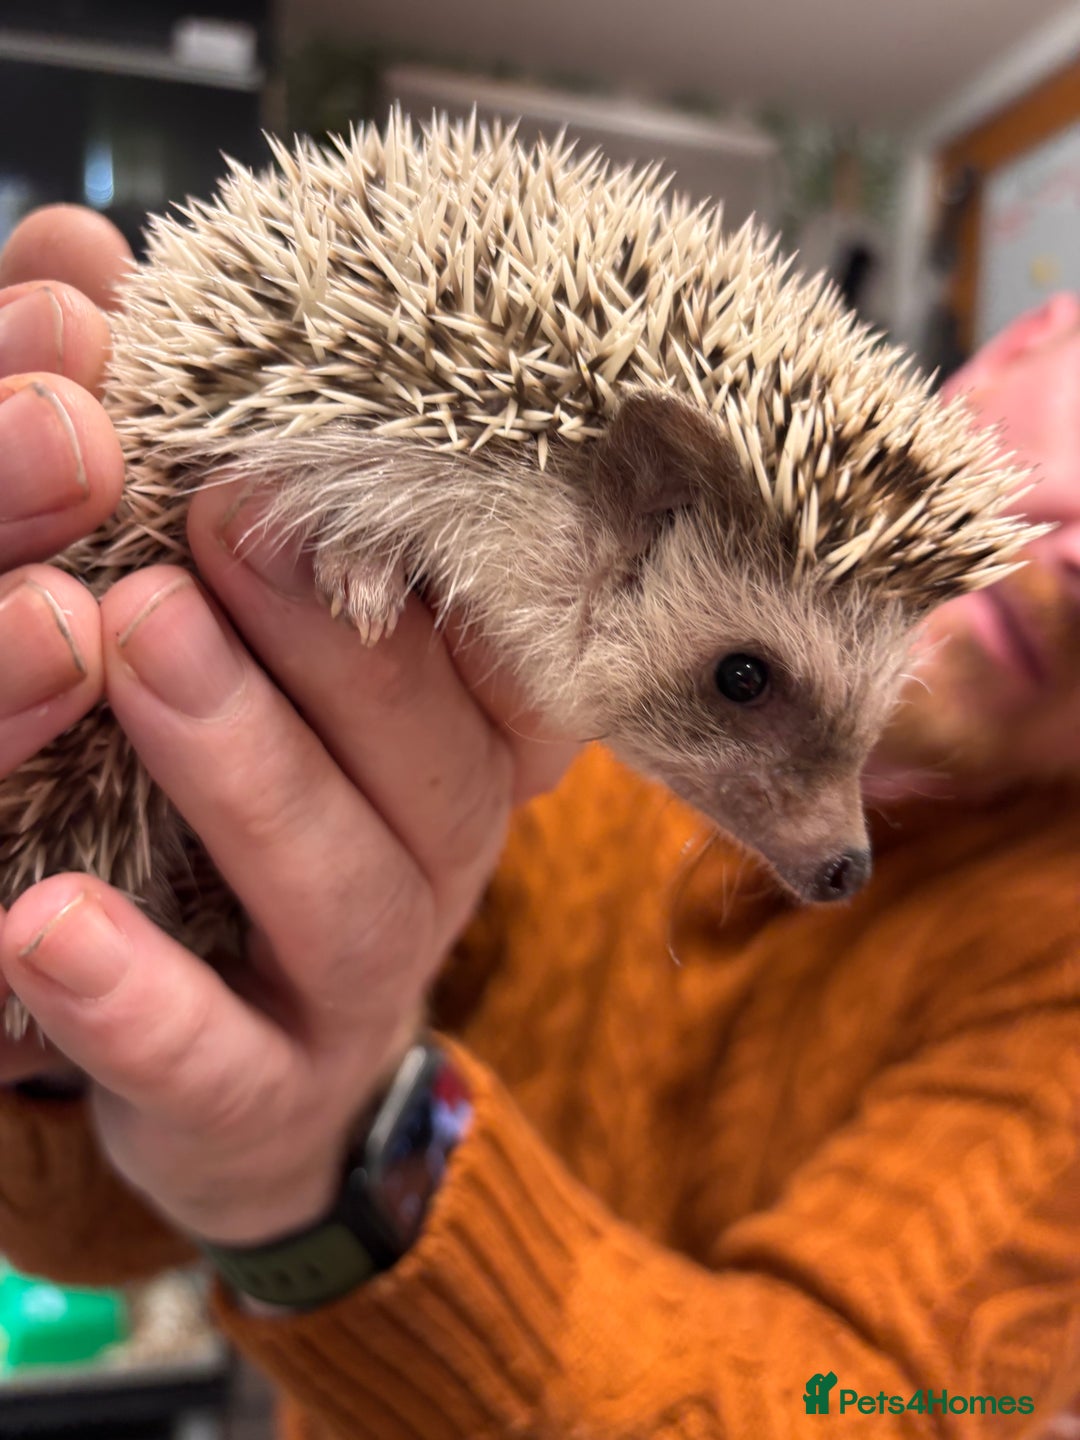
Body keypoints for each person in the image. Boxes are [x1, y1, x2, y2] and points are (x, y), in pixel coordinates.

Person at [0, 204, 1078, 1438]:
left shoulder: (1058, 979)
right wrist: (68, 1027)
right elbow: (98, 1226)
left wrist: (335, 1166)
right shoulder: (543, 670)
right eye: (745, 683)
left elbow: (882, 1410)